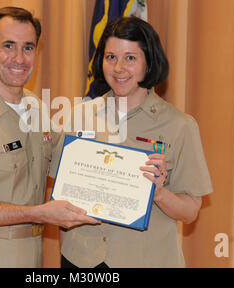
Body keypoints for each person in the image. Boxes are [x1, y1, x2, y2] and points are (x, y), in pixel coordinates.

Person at [0, 7, 99, 268]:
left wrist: (133, 168)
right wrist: (38, 213)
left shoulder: (36, 107)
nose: (19, 58)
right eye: (8, 46)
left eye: (28, 47)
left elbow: (70, 160)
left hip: (32, 254)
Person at [52, 16, 213, 268]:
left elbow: (190, 212)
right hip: (82, 260)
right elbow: (62, 197)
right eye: (110, 57)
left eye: (130, 58)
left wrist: (158, 192)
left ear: (148, 63)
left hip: (146, 259)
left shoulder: (180, 126)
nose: (118, 68)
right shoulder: (79, 115)